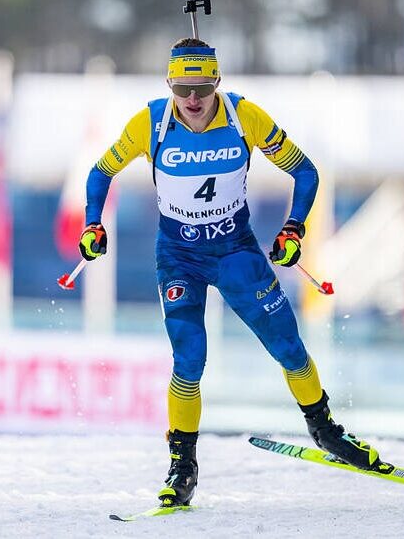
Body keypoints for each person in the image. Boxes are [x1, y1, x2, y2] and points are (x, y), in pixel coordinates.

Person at [78, 38, 380, 507]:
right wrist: (93, 222)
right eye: (183, 88)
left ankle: (324, 429)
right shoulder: (151, 122)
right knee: (189, 360)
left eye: (201, 87)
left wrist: (293, 229)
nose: (193, 100)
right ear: (169, 84)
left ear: (217, 81)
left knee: (288, 346)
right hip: (179, 255)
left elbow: (306, 172)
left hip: (235, 251)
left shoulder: (244, 117)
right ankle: (183, 465)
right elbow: (100, 172)